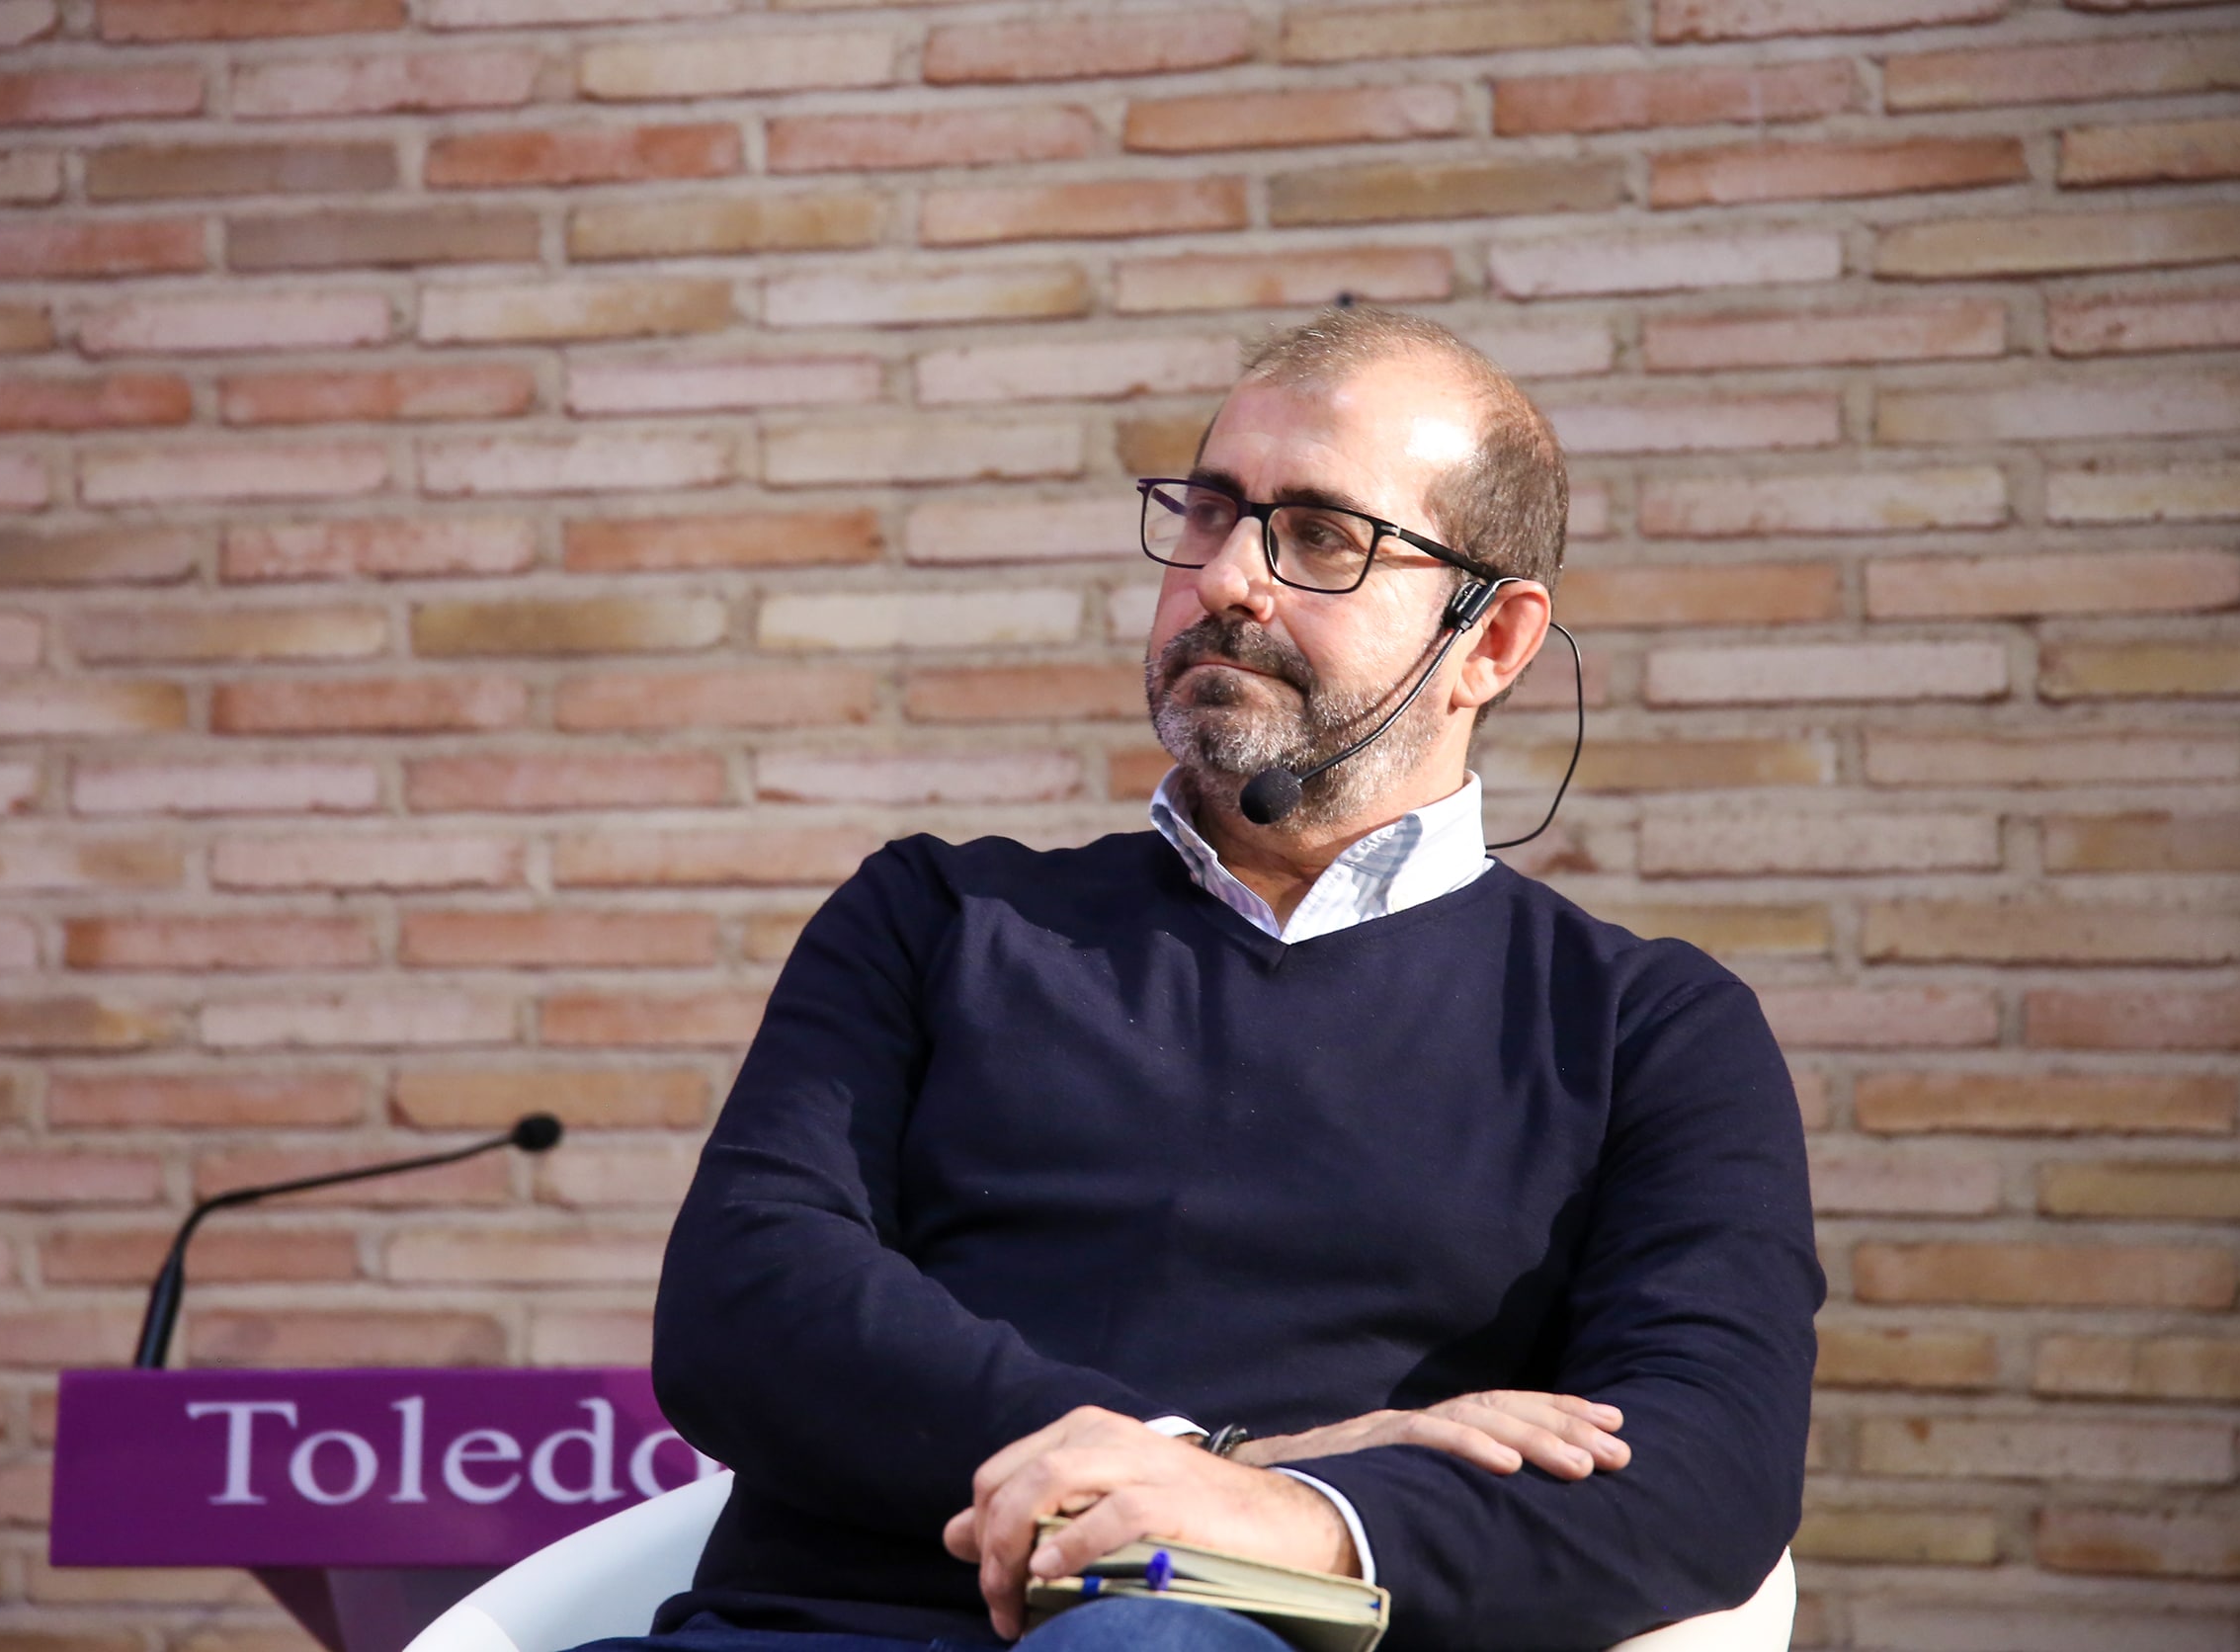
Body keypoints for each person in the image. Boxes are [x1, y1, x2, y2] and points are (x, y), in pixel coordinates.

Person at [600, 306, 1822, 1652]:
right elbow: (745, 1301)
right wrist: (1210, 1460)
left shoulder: (1647, 1030)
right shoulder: (938, 917)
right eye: (1209, 512)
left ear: (1490, 642)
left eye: (1321, 537)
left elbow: (1704, 1467)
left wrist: (1299, 1523)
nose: (1230, 576)